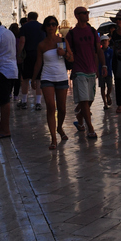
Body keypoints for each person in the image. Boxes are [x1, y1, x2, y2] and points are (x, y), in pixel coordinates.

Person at [33, 16, 74, 149]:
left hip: (61, 77)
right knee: (51, 106)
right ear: (45, 27)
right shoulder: (41, 45)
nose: (51, 26)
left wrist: (64, 54)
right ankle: (53, 138)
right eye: (48, 24)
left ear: (56, 26)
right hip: (47, 77)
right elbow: (39, 63)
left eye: (53, 24)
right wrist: (34, 78)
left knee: (62, 108)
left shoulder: (62, 41)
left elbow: (71, 58)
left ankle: (60, 127)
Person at [66, 7, 106, 140]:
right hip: (79, 70)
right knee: (84, 100)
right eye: (84, 13)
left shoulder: (93, 31)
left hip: (91, 70)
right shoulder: (71, 34)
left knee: (89, 100)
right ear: (77, 15)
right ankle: (91, 129)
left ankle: (79, 115)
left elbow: (98, 50)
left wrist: (103, 65)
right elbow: (68, 52)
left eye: (87, 13)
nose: (87, 15)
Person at [18, 11, 46, 110]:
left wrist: (19, 54)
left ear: (28, 18)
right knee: (38, 79)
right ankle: (38, 102)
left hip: (28, 55)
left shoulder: (24, 27)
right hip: (39, 55)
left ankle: (24, 101)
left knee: (25, 79)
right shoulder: (42, 27)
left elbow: (22, 41)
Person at [99, 35, 113, 109]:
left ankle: (108, 95)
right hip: (101, 71)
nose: (104, 42)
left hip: (109, 71)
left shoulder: (111, 51)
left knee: (110, 86)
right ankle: (105, 103)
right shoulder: (99, 51)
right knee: (102, 87)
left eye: (106, 41)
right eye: (103, 41)